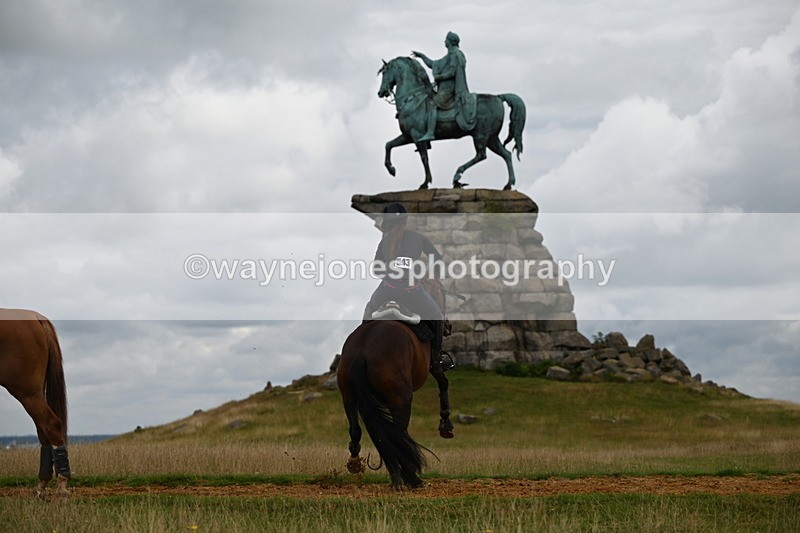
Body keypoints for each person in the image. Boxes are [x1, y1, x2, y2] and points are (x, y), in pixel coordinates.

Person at [365, 202, 453, 372]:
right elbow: (437, 260)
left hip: (387, 290)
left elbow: (376, 269)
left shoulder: (384, 242)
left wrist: (391, 274)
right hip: (412, 291)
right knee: (436, 316)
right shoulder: (418, 238)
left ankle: (363, 344)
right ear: (405, 221)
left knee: (369, 310)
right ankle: (436, 360)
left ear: (387, 224)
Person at [412, 31, 477, 141]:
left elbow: (452, 72)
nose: (444, 41)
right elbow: (433, 64)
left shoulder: (455, 55)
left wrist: (439, 77)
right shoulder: (450, 55)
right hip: (445, 89)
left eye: (446, 39)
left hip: (450, 90)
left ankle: (430, 133)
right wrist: (422, 56)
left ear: (450, 42)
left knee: (432, 104)